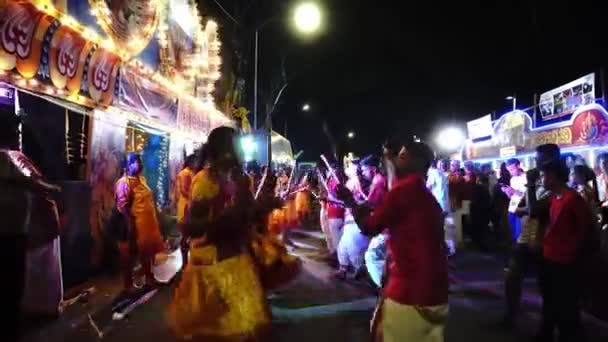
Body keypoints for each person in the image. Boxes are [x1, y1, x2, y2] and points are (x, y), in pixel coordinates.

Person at [338, 140, 448, 342]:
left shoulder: (404, 191)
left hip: (410, 292)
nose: (398, 159)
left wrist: (350, 202)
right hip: (434, 291)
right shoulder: (421, 193)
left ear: (414, 161)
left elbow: (368, 227)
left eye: (403, 156)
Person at [168, 127, 270, 340]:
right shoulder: (204, 181)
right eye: (236, 146)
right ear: (224, 151)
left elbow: (248, 217)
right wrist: (228, 218)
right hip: (211, 270)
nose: (240, 152)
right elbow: (191, 226)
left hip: (237, 263)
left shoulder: (241, 179)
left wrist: (261, 208)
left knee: (244, 331)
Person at [0, 112, 61, 341]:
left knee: (12, 285)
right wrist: (51, 189)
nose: (18, 135)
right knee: (10, 286)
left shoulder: (10, 158)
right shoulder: (5, 158)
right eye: (14, 131)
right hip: (8, 233)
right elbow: (29, 182)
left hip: (14, 230)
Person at [527, 154, 592, 342]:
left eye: (545, 176)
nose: (542, 180)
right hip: (550, 259)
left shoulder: (573, 200)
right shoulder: (555, 198)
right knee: (549, 302)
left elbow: (585, 233)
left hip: (565, 263)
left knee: (567, 309)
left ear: (554, 176)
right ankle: (545, 334)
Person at [115, 153, 165, 291]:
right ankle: (128, 286)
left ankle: (149, 279)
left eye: (141, 162)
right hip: (133, 225)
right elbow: (123, 206)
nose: (141, 164)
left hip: (147, 225)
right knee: (130, 256)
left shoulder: (141, 179)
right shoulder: (123, 183)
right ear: (129, 164)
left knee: (147, 253)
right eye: (137, 162)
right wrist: (130, 226)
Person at [336, 159, 371, 280]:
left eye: (350, 166)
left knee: (353, 248)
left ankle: (365, 273)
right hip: (350, 217)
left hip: (354, 219)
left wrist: (349, 202)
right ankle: (343, 270)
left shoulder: (356, 182)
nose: (347, 168)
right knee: (343, 246)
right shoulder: (352, 181)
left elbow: (361, 200)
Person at [360, 155, 389, 287]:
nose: (363, 173)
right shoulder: (381, 180)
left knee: (372, 256)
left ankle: (384, 287)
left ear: (372, 169)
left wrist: (351, 203)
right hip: (387, 226)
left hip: (386, 228)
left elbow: (370, 204)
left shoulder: (378, 181)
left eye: (364, 170)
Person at [502, 158, 527, 242]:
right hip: (512, 208)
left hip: (521, 209)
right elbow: (512, 197)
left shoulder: (526, 177)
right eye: (509, 170)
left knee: (520, 234)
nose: (511, 172)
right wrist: (507, 192)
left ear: (519, 166)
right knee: (513, 233)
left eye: (512, 169)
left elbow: (527, 196)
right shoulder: (512, 179)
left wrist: (514, 191)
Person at [176, 154, 195, 264]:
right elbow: (184, 190)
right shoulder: (185, 173)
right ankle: (184, 262)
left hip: (188, 205)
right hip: (186, 206)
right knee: (185, 235)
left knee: (187, 234)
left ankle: (186, 261)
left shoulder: (190, 172)